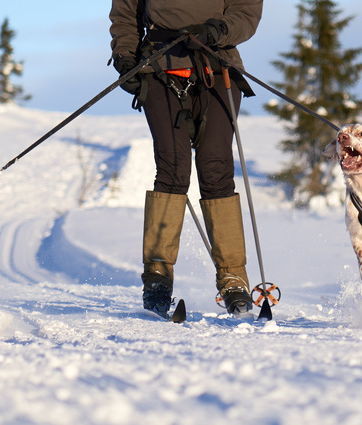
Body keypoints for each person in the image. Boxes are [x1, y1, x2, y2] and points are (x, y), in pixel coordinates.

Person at [109, 0, 263, 316]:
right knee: (172, 168)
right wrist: (125, 58)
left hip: (218, 65)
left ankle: (234, 280)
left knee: (217, 170)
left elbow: (246, 14)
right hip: (158, 67)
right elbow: (125, 12)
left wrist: (217, 30)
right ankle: (157, 279)